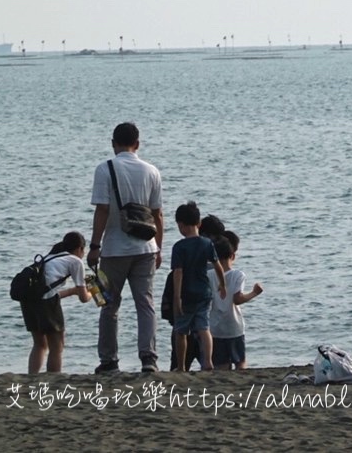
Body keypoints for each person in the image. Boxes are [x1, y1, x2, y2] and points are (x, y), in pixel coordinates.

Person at [88, 122, 164, 374]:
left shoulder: (105, 169)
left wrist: (94, 245)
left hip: (114, 249)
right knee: (145, 304)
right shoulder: (152, 171)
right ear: (138, 144)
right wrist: (159, 248)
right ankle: (148, 359)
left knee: (109, 305)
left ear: (113, 143)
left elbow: (102, 210)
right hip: (146, 248)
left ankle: (109, 360)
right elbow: (158, 214)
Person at [168, 201, 226, 372]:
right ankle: (208, 362)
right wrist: (223, 285)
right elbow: (217, 266)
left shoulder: (179, 247)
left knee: (181, 331)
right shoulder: (207, 244)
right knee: (204, 328)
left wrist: (177, 297)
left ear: (181, 225)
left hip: (186, 294)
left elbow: (178, 273)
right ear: (199, 224)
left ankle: (180, 366)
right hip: (204, 292)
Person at [22, 231, 90, 374]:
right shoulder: (75, 261)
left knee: (39, 344)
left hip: (28, 301)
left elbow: (48, 292)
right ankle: (54, 378)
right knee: (57, 347)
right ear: (80, 249)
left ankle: (32, 376)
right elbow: (84, 298)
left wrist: (72, 291)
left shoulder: (50, 258)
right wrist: (94, 292)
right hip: (47, 304)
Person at [210, 232, 262, 370]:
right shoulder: (237, 275)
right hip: (234, 327)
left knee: (221, 365)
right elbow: (237, 299)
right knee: (240, 362)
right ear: (232, 256)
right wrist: (254, 293)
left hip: (216, 328)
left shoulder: (209, 275)